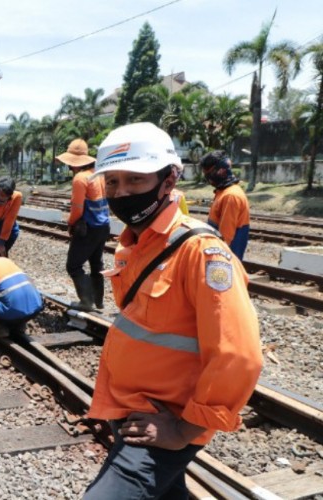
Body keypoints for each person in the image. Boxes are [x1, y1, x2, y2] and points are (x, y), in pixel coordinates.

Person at [83, 122, 262, 499]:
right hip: (134, 408)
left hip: (164, 419)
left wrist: (184, 431)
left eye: (135, 179)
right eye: (112, 183)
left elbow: (239, 355)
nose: (122, 193)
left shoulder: (201, 252)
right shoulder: (135, 243)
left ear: (169, 180)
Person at [57, 139, 110, 311]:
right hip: (104, 226)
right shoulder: (99, 174)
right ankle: (99, 301)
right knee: (96, 264)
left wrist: (70, 224)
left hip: (89, 228)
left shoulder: (80, 178)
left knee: (73, 265)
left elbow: (77, 209)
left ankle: (87, 301)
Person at [200, 150, 250, 260]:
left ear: (221, 170)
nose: (207, 176)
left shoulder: (230, 196)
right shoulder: (223, 192)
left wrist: (216, 261)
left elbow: (225, 237)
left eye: (208, 172)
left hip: (225, 260)